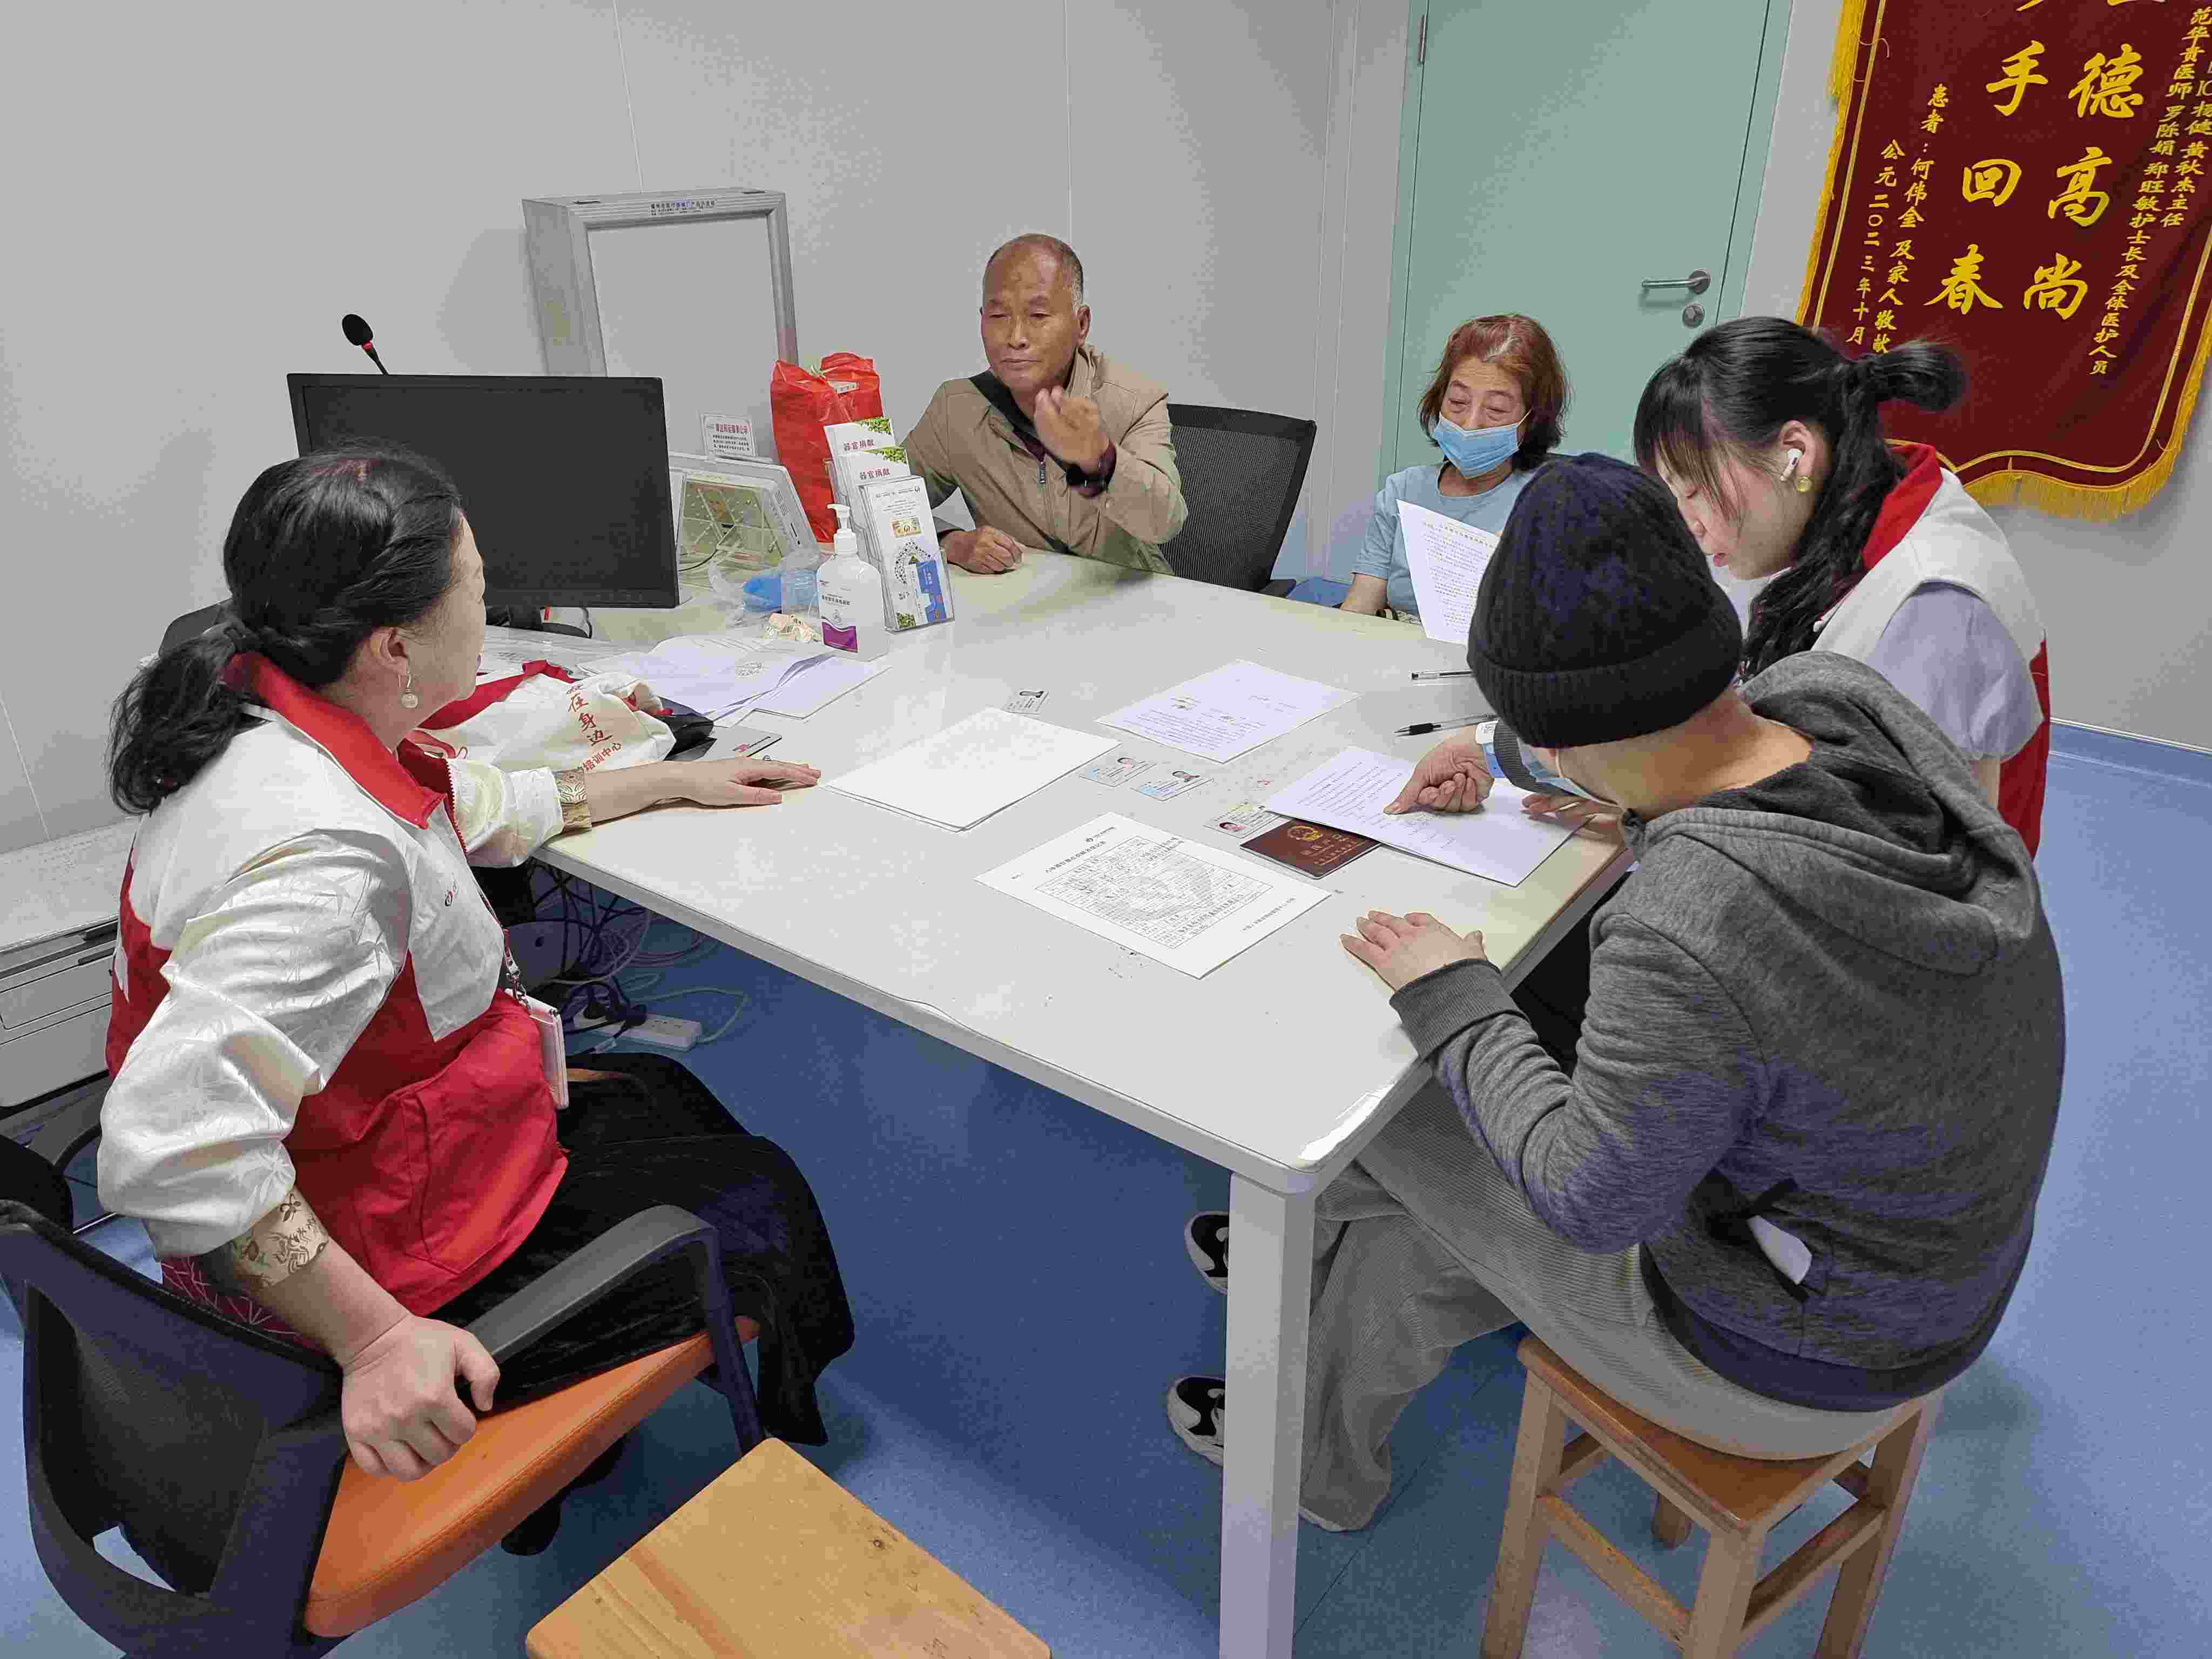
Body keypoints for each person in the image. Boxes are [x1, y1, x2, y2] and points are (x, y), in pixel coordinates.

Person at [1169, 454, 2063, 1533]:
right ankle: (1313, 1333)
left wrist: (1455, 993)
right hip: (1925, 1272)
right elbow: (1656, 736)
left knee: (1384, 1078)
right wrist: (1501, 751)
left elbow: (1591, 1203)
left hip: (1789, 1357)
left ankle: (1302, 1375)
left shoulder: (1694, 914)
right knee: (1462, 1145)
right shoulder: (1834, 699)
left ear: (1567, 732)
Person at [102, 446, 853, 1485]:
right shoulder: (322, 864)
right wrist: (375, 1341)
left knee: (665, 1094)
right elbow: (177, 1149)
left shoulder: (284, 713)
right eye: (478, 587)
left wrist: (669, 782)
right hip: (375, 1261)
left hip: (388, 1143)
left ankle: (590, 1446)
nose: (490, 610)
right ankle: (738, 1449)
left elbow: (475, 807)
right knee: (766, 1199)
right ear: (396, 646)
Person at [1635, 319, 2052, 853]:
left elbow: (1905, 863)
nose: (1688, 522)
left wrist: (1652, 795)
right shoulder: (1862, 506)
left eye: (1694, 490)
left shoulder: (1932, 603)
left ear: (1794, 454)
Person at [904, 234, 1186, 576]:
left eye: (1038, 315)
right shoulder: (957, 409)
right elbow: (881, 504)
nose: (1016, 337)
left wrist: (1099, 458)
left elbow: (1165, 522)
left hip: (1128, 596)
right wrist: (949, 542)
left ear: (1081, 324)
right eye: (999, 316)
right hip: (1021, 599)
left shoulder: (1134, 399)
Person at [1288, 314, 1567, 622]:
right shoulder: (1404, 490)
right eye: (1458, 402)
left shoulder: (1548, 502)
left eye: (1496, 409)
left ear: (1532, 419)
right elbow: (1359, 610)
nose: (1470, 424)